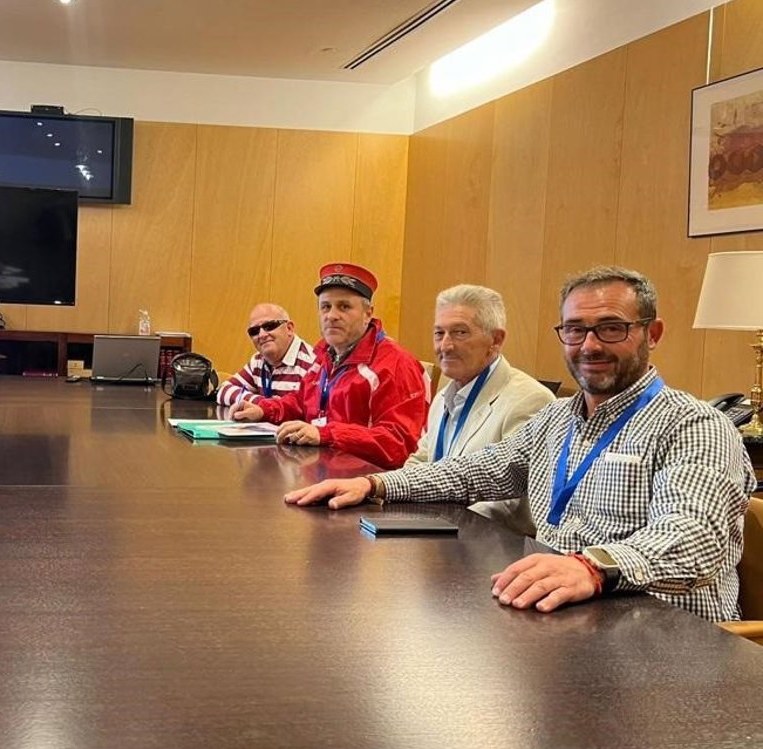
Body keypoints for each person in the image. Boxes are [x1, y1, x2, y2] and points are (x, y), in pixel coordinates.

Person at [285, 266, 754, 621]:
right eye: (575, 329)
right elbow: (473, 471)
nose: (590, 345)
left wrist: (592, 568)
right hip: (563, 616)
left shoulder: (695, 425)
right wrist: (376, 485)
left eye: (612, 328)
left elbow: (694, 537)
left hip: (665, 640)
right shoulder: (556, 418)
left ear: (652, 334)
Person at [231, 262, 428, 469]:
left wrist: (327, 434)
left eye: (344, 306)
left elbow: (400, 444)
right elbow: (300, 402)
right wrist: (263, 410)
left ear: (368, 313)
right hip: (318, 470)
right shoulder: (325, 353)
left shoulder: (396, 364)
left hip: (367, 480)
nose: (332, 316)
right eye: (325, 307)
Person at [407, 284, 555, 535]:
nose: (445, 346)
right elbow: (421, 461)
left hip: (489, 545)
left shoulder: (531, 400)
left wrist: (436, 523)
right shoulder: (444, 397)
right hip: (434, 531)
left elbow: (511, 500)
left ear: (496, 340)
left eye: (460, 333)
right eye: (439, 333)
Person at [216, 303, 315, 407]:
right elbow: (224, 391)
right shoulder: (258, 360)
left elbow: (313, 412)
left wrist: (271, 407)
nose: (262, 335)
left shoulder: (312, 365)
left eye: (269, 326)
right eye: (254, 331)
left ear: (289, 328)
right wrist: (262, 403)